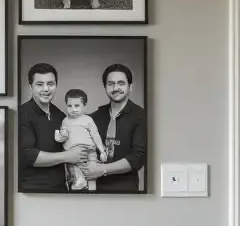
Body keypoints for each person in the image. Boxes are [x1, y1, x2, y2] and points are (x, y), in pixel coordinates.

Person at [17, 62, 94, 192]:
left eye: (50, 84)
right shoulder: (21, 114)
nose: (46, 89)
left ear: (56, 85)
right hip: (33, 191)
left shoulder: (60, 115)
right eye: (39, 84)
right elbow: (29, 156)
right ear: (30, 87)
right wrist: (68, 155)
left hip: (62, 188)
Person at [82, 63, 147, 193]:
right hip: (92, 189)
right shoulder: (94, 117)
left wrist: (102, 170)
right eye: (111, 84)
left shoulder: (142, 116)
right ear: (105, 87)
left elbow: (138, 157)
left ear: (130, 86)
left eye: (121, 83)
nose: (115, 88)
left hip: (124, 191)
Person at [55, 88, 105, 192]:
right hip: (71, 153)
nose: (73, 109)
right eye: (69, 106)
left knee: (91, 171)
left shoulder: (87, 120)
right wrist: (60, 137)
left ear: (84, 106)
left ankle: (92, 190)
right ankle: (78, 186)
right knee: (74, 174)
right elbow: (63, 137)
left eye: (77, 106)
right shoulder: (65, 121)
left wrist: (102, 151)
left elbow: (95, 135)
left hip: (89, 151)